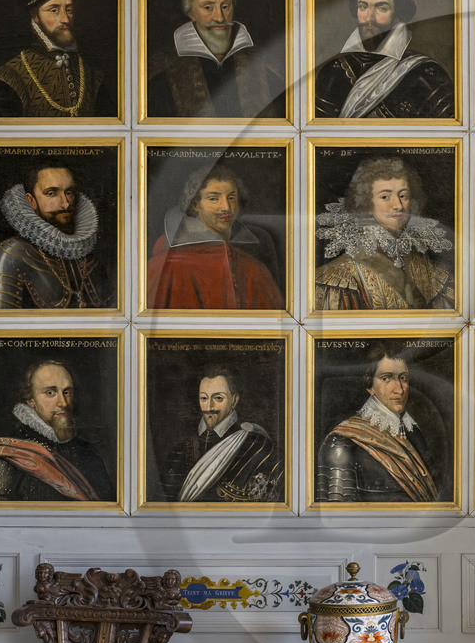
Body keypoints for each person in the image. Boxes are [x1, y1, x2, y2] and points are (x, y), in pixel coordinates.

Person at [313, 157, 454, 310]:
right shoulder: (341, 276)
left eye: (403, 196)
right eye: (385, 197)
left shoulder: (427, 268)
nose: (398, 206)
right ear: (366, 204)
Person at [313, 0, 454, 119]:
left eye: (381, 8)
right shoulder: (333, 72)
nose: (369, 18)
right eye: (363, 6)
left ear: (398, 14)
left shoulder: (425, 75)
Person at [147, 163, 284, 310]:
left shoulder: (253, 267)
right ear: (195, 205)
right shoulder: (166, 265)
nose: (226, 207)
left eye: (231, 198)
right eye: (214, 199)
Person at [147, 0, 283, 119]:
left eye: (225, 6)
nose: (219, 17)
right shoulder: (164, 76)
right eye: (208, 8)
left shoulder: (265, 68)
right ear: (191, 14)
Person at [315, 344, 440, 503]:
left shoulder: (414, 432)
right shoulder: (342, 444)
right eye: (386, 378)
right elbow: (338, 519)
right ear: (370, 387)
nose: (400, 390)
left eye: (403, 378)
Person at [0, 0, 115, 118]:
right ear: (35, 16)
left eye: (69, 10)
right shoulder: (9, 77)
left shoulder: (92, 75)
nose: (65, 18)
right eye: (54, 10)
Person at [0, 360, 115, 502]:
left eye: (67, 392)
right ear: (31, 400)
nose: (63, 402)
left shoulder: (89, 452)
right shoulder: (5, 457)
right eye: (50, 393)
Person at [0, 162, 110, 309]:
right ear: (31, 201)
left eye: (68, 192)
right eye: (51, 193)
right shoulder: (9, 256)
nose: (65, 203)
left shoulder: (89, 259)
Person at [157, 366, 282, 503]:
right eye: (204, 398)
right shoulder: (178, 452)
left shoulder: (260, 448)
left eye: (218, 398)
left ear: (234, 401)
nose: (209, 407)